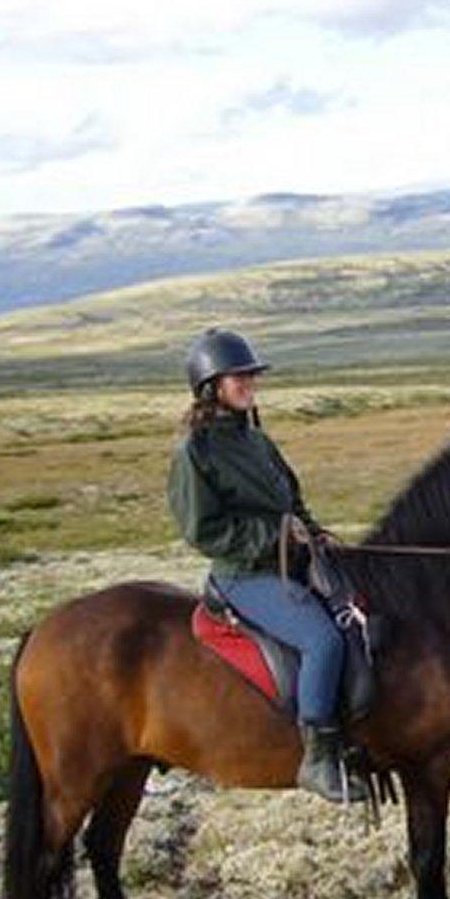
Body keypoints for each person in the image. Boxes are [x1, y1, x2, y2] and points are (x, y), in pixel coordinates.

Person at [168, 326, 356, 802]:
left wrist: (312, 535)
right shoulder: (195, 452)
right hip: (244, 575)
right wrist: (274, 537)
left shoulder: (257, 440)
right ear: (212, 387)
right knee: (322, 641)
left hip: (289, 563)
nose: (249, 384)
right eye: (238, 378)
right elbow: (203, 530)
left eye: (251, 376)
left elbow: (291, 499)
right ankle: (316, 759)